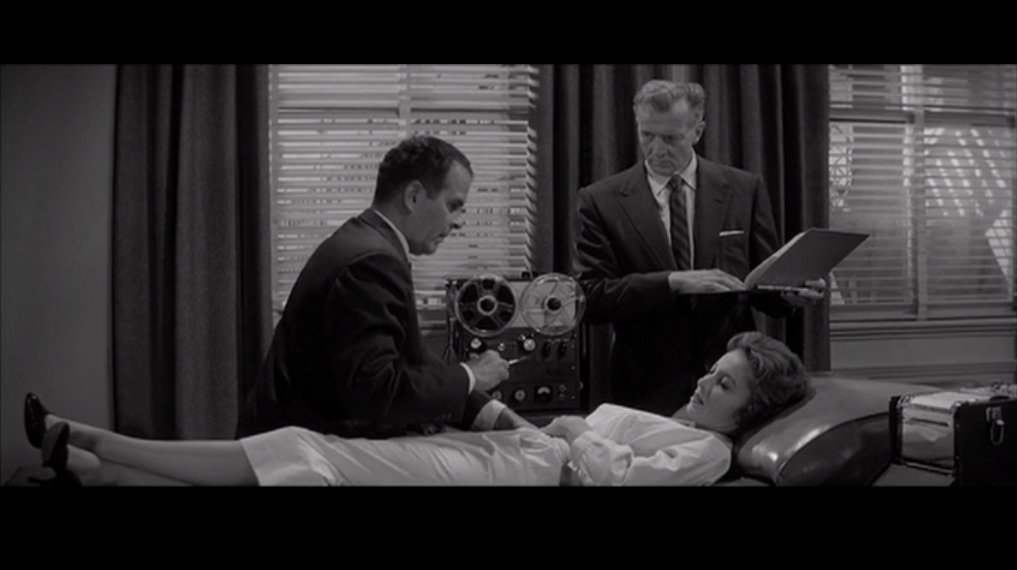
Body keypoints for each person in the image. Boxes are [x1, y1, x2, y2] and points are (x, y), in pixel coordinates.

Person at [22, 332, 810, 486]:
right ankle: (95, 463)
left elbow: (628, 481)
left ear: (750, 410)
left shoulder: (711, 454)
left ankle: (94, 444)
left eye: (724, 385)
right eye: (712, 371)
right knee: (309, 450)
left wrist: (575, 434)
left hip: (527, 474)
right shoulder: (677, 424)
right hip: (517, 456)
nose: (704, 383)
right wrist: (491, 410)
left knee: (310, 454)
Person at [236, 135, 525, 440]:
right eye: (453, 206)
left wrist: (496, 416)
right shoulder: (372, 261)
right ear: (413, 196)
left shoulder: (365, 240)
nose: (458, 222)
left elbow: (412, 360)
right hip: (301, 451)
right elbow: (376, 393)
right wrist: (470, 375)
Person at [574, 80, 825, 416]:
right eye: (647, 135)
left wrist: (791, 294)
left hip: (732, 384)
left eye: (670, 139)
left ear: (698, 132)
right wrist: (672, 282)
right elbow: (591, 298)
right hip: (647, 384)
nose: (656, 150)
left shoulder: (744, 189)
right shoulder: (600, 200)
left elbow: (762, 288)